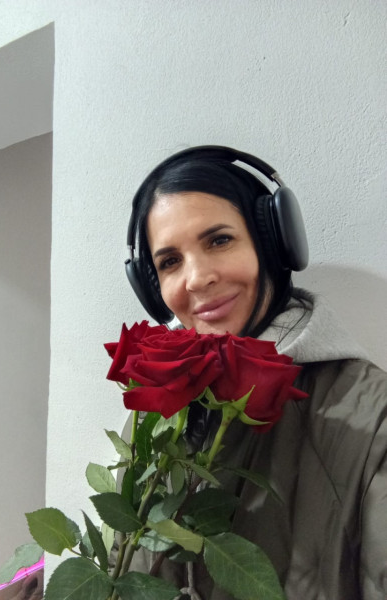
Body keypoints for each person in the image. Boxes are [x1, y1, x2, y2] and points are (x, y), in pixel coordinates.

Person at [123, 146, 387, 600]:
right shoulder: (155, 410)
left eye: (219, 240)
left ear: (273, 242)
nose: (197, 278)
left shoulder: (373, 417)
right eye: (169, 262)